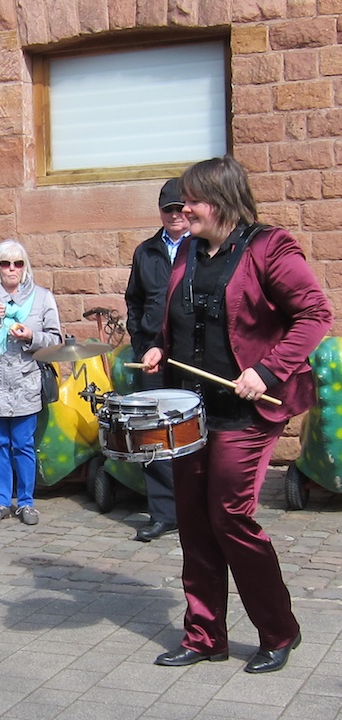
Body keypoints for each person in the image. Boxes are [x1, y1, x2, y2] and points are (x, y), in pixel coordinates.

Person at [141, 155, 332, 675]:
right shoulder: (188, 255)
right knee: (194, 521)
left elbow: (315, 313)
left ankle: (279, 629)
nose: (183, 209)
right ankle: (205, 636)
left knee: (230, 516)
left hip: (245, 412)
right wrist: (160, 347)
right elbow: (180, 319)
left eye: (192, 200)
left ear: (220, 201)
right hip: (190, 410)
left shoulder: (271, 247)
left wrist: (269, 372)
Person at [0, 240, 61, 527]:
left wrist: (31, 335)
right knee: (0, 444)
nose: (12, 269)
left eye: (18, 263)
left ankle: (27, 502)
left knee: (23, 444)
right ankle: (2, 501)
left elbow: (55, 339)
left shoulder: (42, 298)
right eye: (6, 263)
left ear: (25, 266)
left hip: (25, 381)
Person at [123, 178, 190, 542]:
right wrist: (139, 340)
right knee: (153, 435)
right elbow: (133, 299)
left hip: (189, 357)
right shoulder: (146, 251)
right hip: (150, 358)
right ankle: (164, 513)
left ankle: (197, 509)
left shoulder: (201, 248)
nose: (175, 215)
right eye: (169, 209)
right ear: (161, 211)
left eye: (181, 208)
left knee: (193, 433)